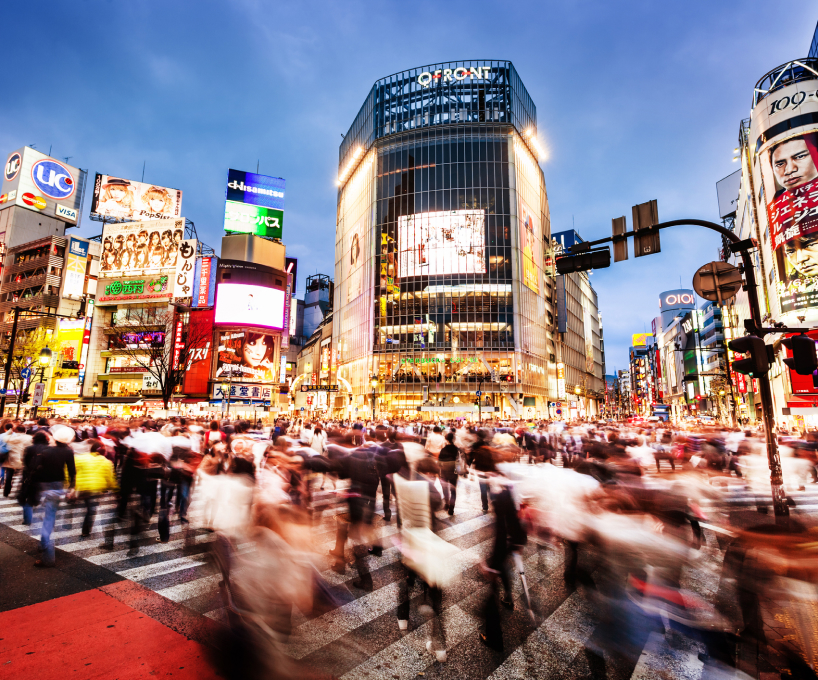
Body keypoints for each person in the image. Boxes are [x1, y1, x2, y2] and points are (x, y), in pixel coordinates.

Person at [31, 425, 76, 567]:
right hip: (59, 486)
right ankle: (43, 544)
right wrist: (71, 488)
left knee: (46, 520)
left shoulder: (46, 451)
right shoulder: (69, 452)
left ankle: (48, 557)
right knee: (49, 517)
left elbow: (36, 469)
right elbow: (72, 471)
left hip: (45, 486)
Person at [72, 439, 118, 536]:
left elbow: (72, 471)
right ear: (103, 451)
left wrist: (71, 485)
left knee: (87, 507)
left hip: (82, 488)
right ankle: (86, 531)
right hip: (96, 489)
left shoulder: (80, 458)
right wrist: (115, 489)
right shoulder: (107, 462)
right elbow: (110, 479)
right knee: (91, 510)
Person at [2, 425, 30, 496]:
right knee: (24, 476)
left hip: (11, 459)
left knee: (9, 476)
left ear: (15, 430)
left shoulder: (11, 437)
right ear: (25, 430)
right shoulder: (29, 438)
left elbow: (5, 438)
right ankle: (21, 491)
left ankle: (6, 491)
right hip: (24, 459)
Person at [437, 432, 459, 515]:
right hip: (453, 470)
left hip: (444, 470)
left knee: (445, 488)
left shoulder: (443, 450)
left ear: (446, 439)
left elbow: (439, 462)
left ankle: (447, 503)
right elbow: (459, 461)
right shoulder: (456, 449)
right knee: (453, 490)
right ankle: (451, 508)